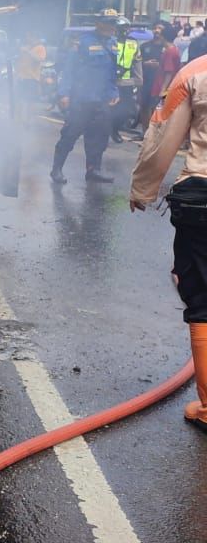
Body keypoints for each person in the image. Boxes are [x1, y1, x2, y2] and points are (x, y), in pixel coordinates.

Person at [130, 54, 207, 433]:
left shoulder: (195, 72)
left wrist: (143, 189)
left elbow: (163, 138)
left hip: (202, 197)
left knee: (203, 299)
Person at [50, 11, 120, 184]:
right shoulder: (81, 42)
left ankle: (93, 170)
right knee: (69, 135)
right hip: (81, 99)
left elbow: (111, 71)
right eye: (108, 22)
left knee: (99, 137)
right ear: (98, 24)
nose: (112, 26)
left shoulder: (112, 43)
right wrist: (64, 93)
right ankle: (56, 170)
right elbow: (69, 69)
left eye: (114, 23)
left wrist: (114, 92)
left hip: (102, 99)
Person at [112, 17, 142, 142]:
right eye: (121, 28)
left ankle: (114, 128)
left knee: (125, 110)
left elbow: (137, 62)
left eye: (126, 28)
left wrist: (139, 81)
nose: (124, 30)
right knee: (107, 109)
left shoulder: (133, 42)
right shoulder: (111, 41)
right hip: (110, 80)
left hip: (126, 81)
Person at [15, 31, 48, 112]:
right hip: (21, 77)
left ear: (34, 37)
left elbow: (40, 59)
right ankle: (19, 120)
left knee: (30, 101)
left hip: (32, 78)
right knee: (19, 99)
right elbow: (20, 61)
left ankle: (29, 121)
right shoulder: (26, 47)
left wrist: (28, 52)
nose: (26, 39)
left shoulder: (40, 47)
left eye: (28, 37)